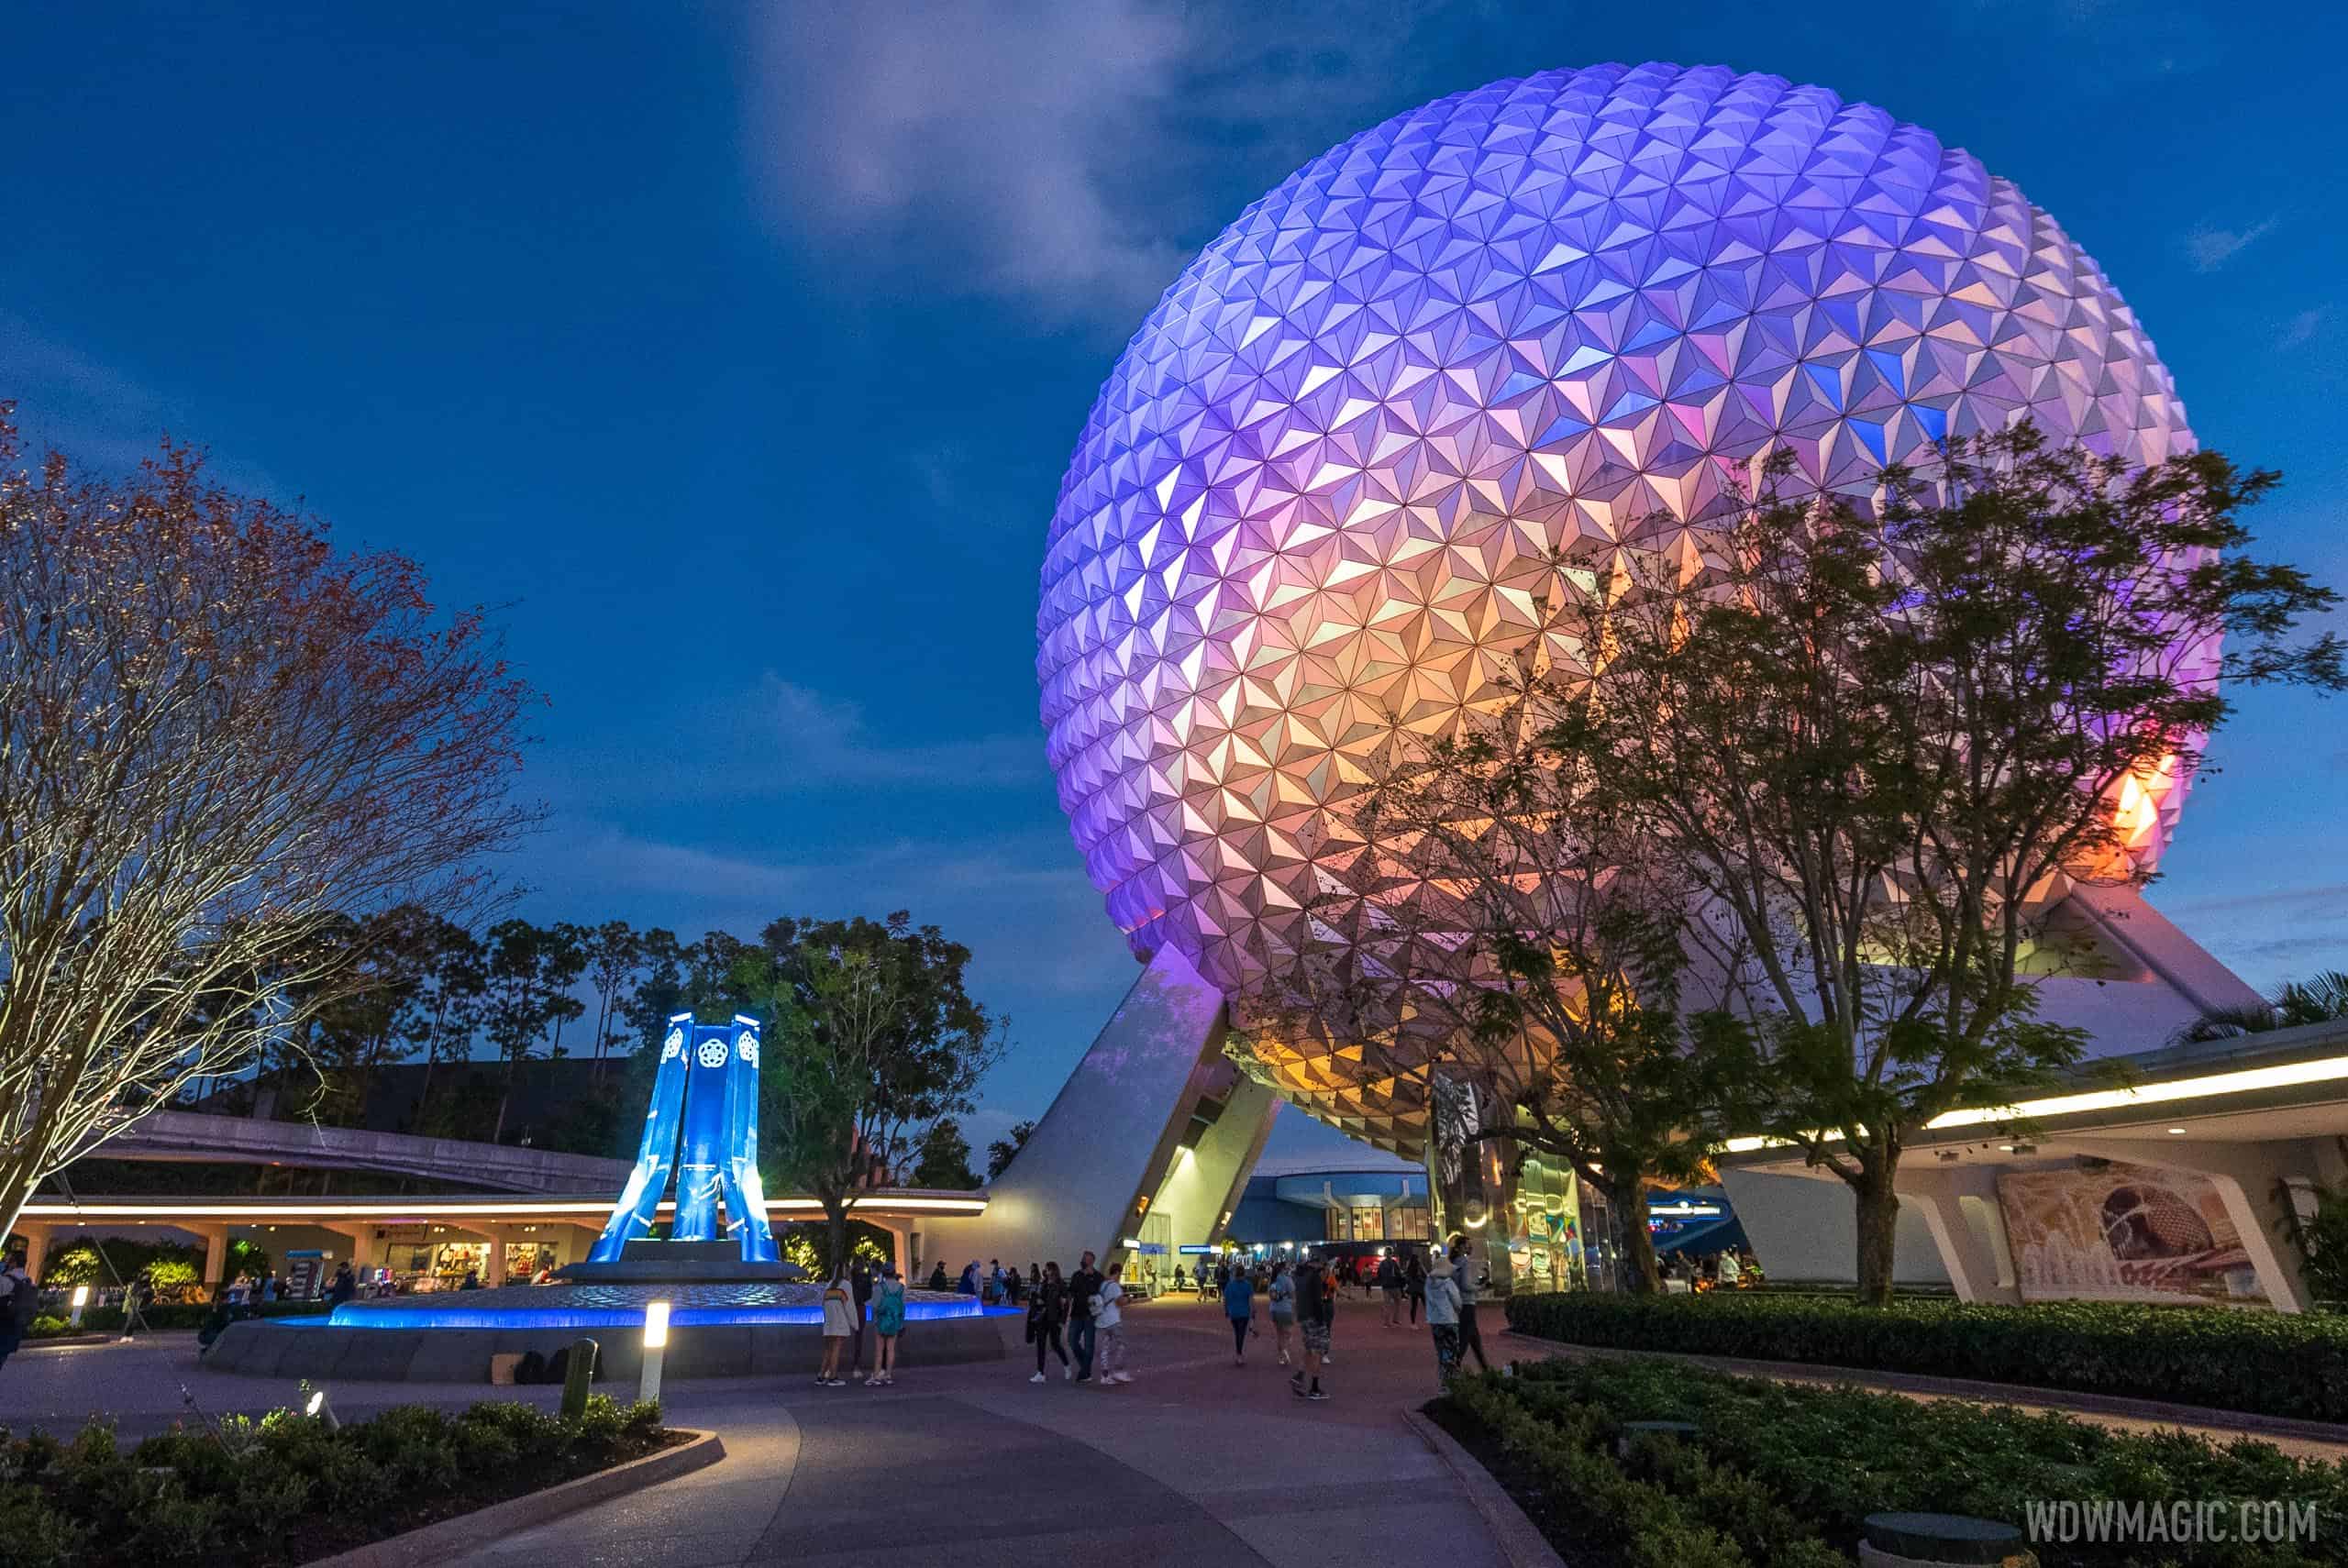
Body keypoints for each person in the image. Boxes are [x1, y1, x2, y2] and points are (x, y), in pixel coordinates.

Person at [1290, 1254, 1331, 1401]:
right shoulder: (1314, 1277)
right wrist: (1322, 1320)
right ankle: (1314, 1387)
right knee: (1318, 1352)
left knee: (1309, 1349)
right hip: (1314, 1317)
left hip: (1303, 1316)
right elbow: (1317, 1301)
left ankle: (1299, 1376)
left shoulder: (1300, 1275)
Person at [1450, 1235, 1491, 1374]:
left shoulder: (1454, 1262)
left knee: (1474, 1339)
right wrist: (1480, 1288)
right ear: (1461, 1247)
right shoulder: (1464, 1262)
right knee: (1464, 1340)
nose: (1470, 1247)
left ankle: (1486, 1369)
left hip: (1459, 1303)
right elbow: (1466, 1285)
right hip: (1467, 1304)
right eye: (1467, 1245)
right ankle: (1453, 1369)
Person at [1027, 1260, 1070, 1383]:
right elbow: (1042, 1298)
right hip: (1043, 1318)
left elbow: (1065, 1304)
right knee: (1040, 1344)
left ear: (1053, 1270)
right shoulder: (1045, 1283)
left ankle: (1066, 1365)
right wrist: (1038, 1300)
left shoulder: (1060, 1285)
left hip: (1054, 1318)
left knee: (1055, 1344)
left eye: (1047, 1269)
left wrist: (1062, 1320)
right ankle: (1040, 1373)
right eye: (1045, 1269)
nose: (1045, 1271)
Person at [1066, 1249, 1102, 1384]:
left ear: (1091, 1261)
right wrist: (1066, 1302)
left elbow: (1102, 1295)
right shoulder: (1077, 1275)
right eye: (1082, 1258)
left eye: (1085, 1258)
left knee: (1089, 1344)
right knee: (1072, 1340)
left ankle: (1085, 1372)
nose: (1082, 1260)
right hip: (1076, 1313)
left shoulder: (1098, 1277)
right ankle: (1085, 1368)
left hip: (1090, 1316)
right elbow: (1071, 1292)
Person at [1091, 1260, 1132, 1385]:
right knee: (1122, 1344)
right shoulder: (1115, 1286)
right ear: (1118, 1273)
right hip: (1113, 1321)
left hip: (1101, 1321)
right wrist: (1129, 1300)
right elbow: (1119, 1302)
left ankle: (1105, 1376)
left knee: (1105, 1348)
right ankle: (1119, 1371)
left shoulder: (1103, 1284)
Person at [1423, 1254, 1463, 1379]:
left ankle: (1443, 1379)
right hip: (1449, 1319)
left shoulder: (1428, 1284)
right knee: (1452, 1351)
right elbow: (1457, 1302)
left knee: (1441, 1351)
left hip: (1435, 1321)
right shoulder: (1448, 1283)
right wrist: (1458, 1311)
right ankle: (1451, 1381)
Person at [867, 1263, 905, 1386]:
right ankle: (888, 1375)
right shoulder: (901, 1288)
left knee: (879, 1350)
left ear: (883, 1273)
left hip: (881, 1321)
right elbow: (902, 1306)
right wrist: (900, 1322)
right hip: (894, 1320)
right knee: (891, 1349)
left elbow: (875, 1306)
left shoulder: (879, 1288)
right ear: (894, 1273)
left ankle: (876, 1375)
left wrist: (875, 1321)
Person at [817, 1270, 855, 1386]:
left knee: (829, 1349)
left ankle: (821, 1376)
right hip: (840, 1322)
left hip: (829, 1323)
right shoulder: (846, 1285)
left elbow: (823, 1303)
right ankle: (833, 1377)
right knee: (836, 1349)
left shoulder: (829, 1285)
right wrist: (854, 1323)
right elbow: (850, 1306)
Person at [0, 1252, 36, 1370]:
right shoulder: (29, 1282)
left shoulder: (4, 1280)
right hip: (15, 1330)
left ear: (13, 1263)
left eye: (7, 1260)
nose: (5, 1263)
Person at [1221, 1258, 1254, 1364]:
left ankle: (1239, 1354)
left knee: (1237, 1332)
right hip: (1244, 1313)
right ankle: (1239, 1353)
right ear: (1244, 1274)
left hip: (1233, 1312)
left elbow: (1225, 1300)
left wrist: (1226, 1310)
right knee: (1241, 1334)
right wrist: (1253, 1311)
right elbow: (1251, 1300)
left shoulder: (1230, 1285)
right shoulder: (1248, 1285)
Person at [1266, 1261, 1296, 1367]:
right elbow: (1293, 1294)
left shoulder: (1273, 1280)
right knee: (1288, 1332)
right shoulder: (1288, 1279)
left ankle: (1281, 1357)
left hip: (1274, 1309)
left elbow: (1270, 1295)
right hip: (1285, 1309)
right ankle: (1284, 1352)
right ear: (1283, 1269)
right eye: (1287, 1268)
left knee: (1279, 1334)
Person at [849, 1257, 875, 1370]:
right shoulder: (865, 1278)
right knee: (859, 1336)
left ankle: (831, 1367)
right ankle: (856, 1365)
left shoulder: (849, 1278)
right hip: (860, 1307)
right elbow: (869, 1294)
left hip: (847, 1307)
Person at [1376, 1251, 1402, 1327]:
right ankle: (1396, 1319)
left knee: (1387, 1305)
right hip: (1394, 1286)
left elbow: (1378, 1275)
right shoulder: (1394, 1263)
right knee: (1398, 1303)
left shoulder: (1382, 1263)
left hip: (1385, 1286)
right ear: (1391, 1254)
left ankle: (1386, 1323)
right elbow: (1398, 1273)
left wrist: (1383, 1280)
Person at [1404, 1248, 1427, 1327]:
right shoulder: (1419, 1266)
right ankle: (1430, 1319)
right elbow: (1426, 1275)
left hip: (1414, 1288)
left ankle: (1413, 1323)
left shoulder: (1410, 1268)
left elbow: (1407, 1277)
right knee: (1426, 1304)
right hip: (1420, 1287)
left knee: (1414, 1306)